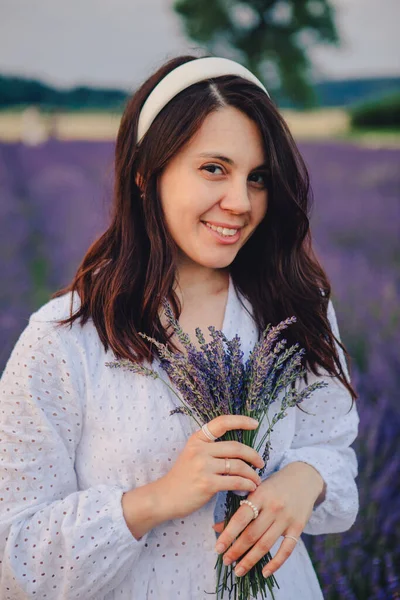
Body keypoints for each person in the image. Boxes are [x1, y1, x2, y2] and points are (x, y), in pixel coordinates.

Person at [0, 55, 359, 599]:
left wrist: (306, 478)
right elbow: (16, 557)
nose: (239, 202)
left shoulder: (294, 309)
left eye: (257, 178)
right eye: (214, 168)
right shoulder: (62, 341)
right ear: (147, 173)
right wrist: (159, 497)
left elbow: (335, 450)